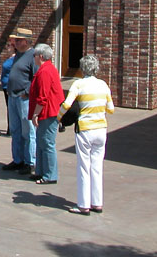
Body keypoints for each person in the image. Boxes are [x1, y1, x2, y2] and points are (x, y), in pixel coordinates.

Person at [59, 54, 115, 215]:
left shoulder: (79, 84)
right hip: (101, 129)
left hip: (85, 129)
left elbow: (67, 104)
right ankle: (97, 203)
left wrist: (58, 117)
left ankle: (83, 204)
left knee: (84, 167)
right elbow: (110, 109)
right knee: (97, 166)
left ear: (82, 69)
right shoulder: (103, 85)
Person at [1, 28, 37, 175]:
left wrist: (27, 92)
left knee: (28, 131)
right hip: (13, 96)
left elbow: (36, 78)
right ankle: (18, 159)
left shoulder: (32, 56)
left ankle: (30, 162)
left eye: (18, 40)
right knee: (15, 130)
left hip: (24, 99)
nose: (15, 42)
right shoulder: (18, 55)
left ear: (26, 42)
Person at [29, 43, 64, 184]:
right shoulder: (48, 69)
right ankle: (41, 171)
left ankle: (50, 174)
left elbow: (42, 97)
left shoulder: (45, 71)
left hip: (49, 113)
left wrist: (35, 114)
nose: (34, 58)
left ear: (41, 56)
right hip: (48, 112)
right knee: (41, 141)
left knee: (47, 143)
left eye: (35, 55)